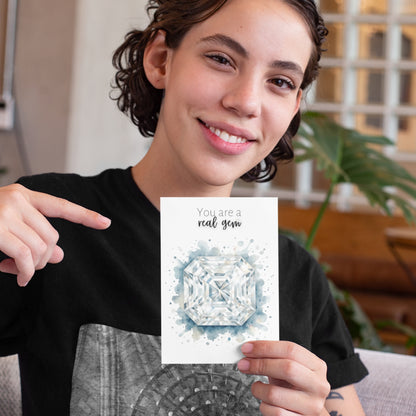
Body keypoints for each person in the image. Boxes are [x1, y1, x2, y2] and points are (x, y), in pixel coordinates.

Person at [0, 0, 368, 414]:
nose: (246, 101)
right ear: (160, 60)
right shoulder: (46, 221)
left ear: (294, 105)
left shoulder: (297, 275)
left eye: (280, 81)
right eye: (221, 59)